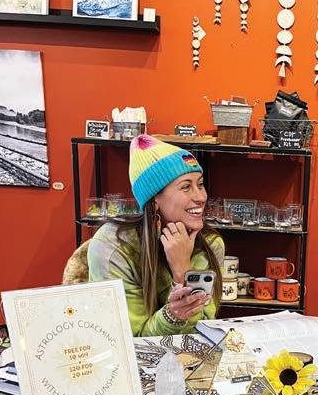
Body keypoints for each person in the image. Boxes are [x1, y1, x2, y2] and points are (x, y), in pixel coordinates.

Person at [88, 135, 224, 335]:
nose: (201, 197)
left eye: (200, 184)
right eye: (186, 187)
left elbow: (201, 332)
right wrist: (173, 316)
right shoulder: (113, 246)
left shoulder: (210, 244)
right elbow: (131, 339)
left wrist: (183, 271)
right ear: (154, 200)